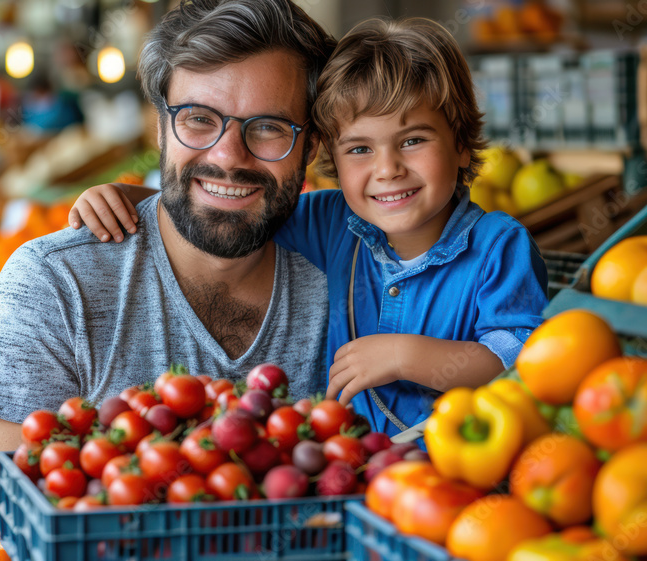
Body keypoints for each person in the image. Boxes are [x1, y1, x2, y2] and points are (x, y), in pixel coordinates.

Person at [0, 1, 336, 557]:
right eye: (198, 119)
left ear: (311, 146)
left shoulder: (346, 283)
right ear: (159, 126)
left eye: (269, 128)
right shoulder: (58, 286)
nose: (228, 156)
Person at [69, 18, 549, 438]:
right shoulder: (333, 221)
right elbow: (235, 205)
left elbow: (525, 362)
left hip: (460, 472)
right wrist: (132, 197)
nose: (387, 169)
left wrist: (408, 357)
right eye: (360, 149)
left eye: (413, 140)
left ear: (462, 145)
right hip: (357, 475)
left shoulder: (497, 245)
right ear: (330, 160)